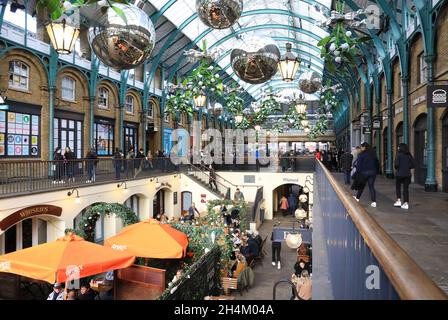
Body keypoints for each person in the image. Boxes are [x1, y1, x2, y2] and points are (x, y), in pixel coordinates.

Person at [353, 142, 379, 207]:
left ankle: (357, 198)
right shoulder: (373, 154)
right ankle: (374, 202)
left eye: (361, 147)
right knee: (371, 186)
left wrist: (357, 172)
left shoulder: (361, 155)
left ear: (364, 147)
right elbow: (377, 164)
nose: (361, 148)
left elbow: (358, 166)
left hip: (364, 172)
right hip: (373, 172)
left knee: (361, 186)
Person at [394, 143, 415, 210]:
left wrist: (398, 167)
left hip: (399, 174)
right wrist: (407, 167)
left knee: (398, 187)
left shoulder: (398, 155)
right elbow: (413, 165)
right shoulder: (409, 155)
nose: (397, 148)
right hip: (407, 174)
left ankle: (399, 201)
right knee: (406, 189)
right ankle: (406, 203)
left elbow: (396, 165)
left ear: (400, 148)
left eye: (398, 147)